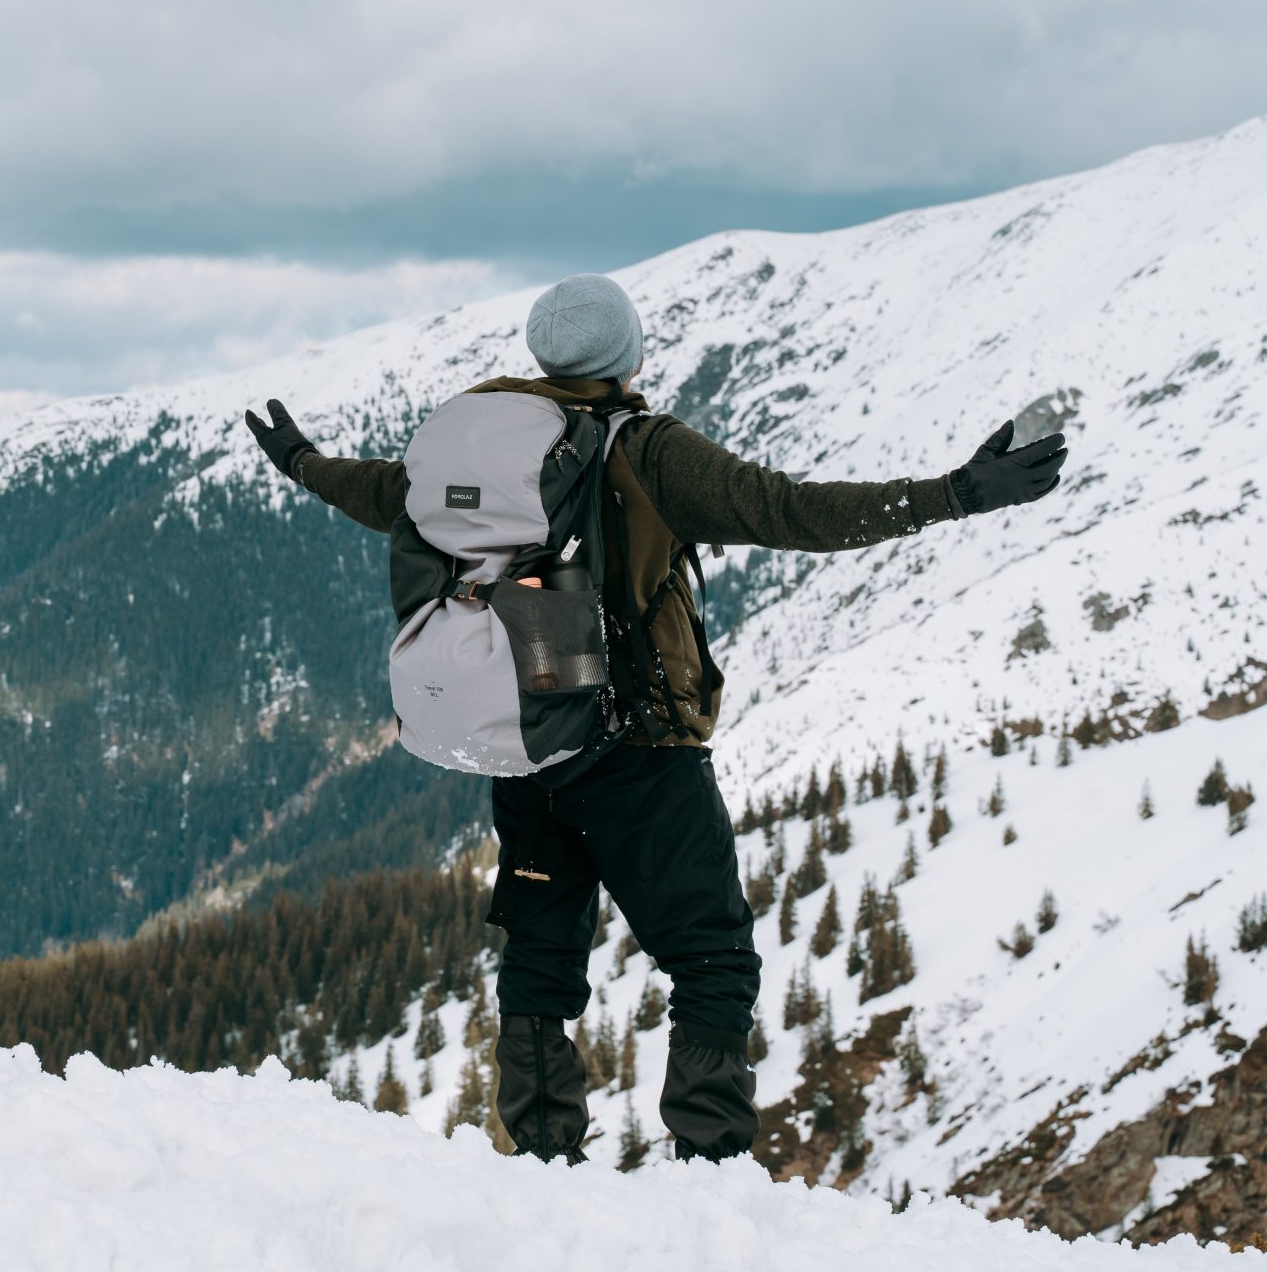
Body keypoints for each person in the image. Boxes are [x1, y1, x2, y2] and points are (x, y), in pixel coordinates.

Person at [241, 273, 1066, 1164]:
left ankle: (540, 1152)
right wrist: (953, 493)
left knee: (541, 951)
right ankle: (708, 1167)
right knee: (711, 956)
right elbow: (790, 510)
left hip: (528, 735)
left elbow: (378, 493)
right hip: (641, 752)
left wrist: (297, 460)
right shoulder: (648, 449)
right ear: (626, 354)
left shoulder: (483, 448)